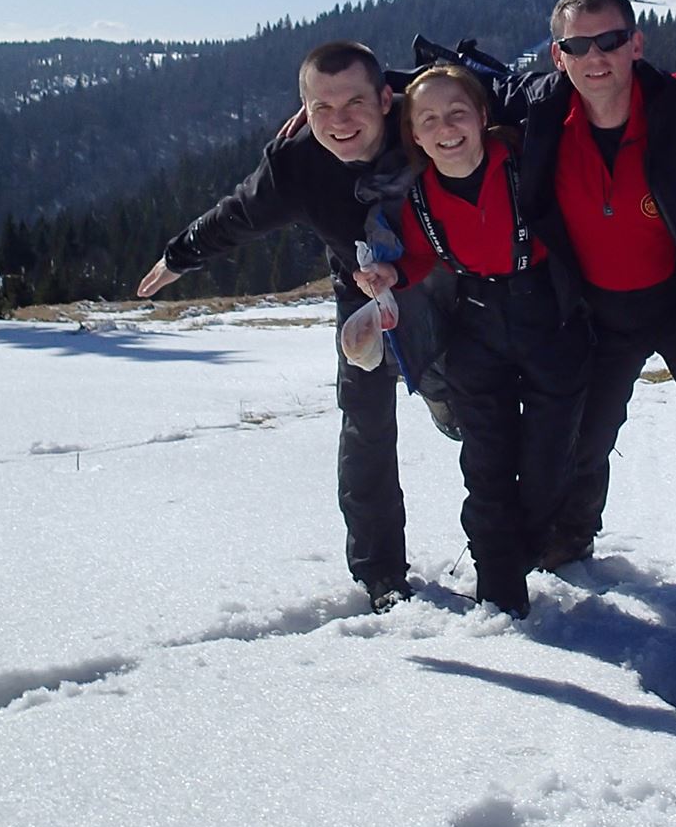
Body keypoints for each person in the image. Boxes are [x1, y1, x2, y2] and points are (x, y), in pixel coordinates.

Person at [499, 0, 676, 667]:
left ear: (636, 43)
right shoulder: (539, 112)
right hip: (596, 310)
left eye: (610, 40)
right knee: (583, 440)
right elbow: (449, 99)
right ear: (558, 55)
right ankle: (568, 541)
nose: (595, 57)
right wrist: (360, 99)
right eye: (578, 45)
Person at [137, 40, 450, 615]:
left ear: (385, 99)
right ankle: (381, 573)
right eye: (322, 108)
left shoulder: (429, 118)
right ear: (304, 110)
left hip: (448, 275)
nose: (339, 122)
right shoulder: (297, 165)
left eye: (354, 103)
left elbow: (499, 105)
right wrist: (180, 256)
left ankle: (513, 536)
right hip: (362, 286)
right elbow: (239, 212)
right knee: (365, 419)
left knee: (469, 403)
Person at [360, 63, 591, 619]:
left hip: (549, 318)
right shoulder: (417, 197)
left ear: (483, 115)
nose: (446, 128)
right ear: (414, 135)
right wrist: (394, 274)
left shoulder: (526, 165)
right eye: (429, 120)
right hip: (477, 325)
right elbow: (421, 256)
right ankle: (499, 594)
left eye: (458, 113)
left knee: (547, 463)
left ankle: (526, 547)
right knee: (486, 465)